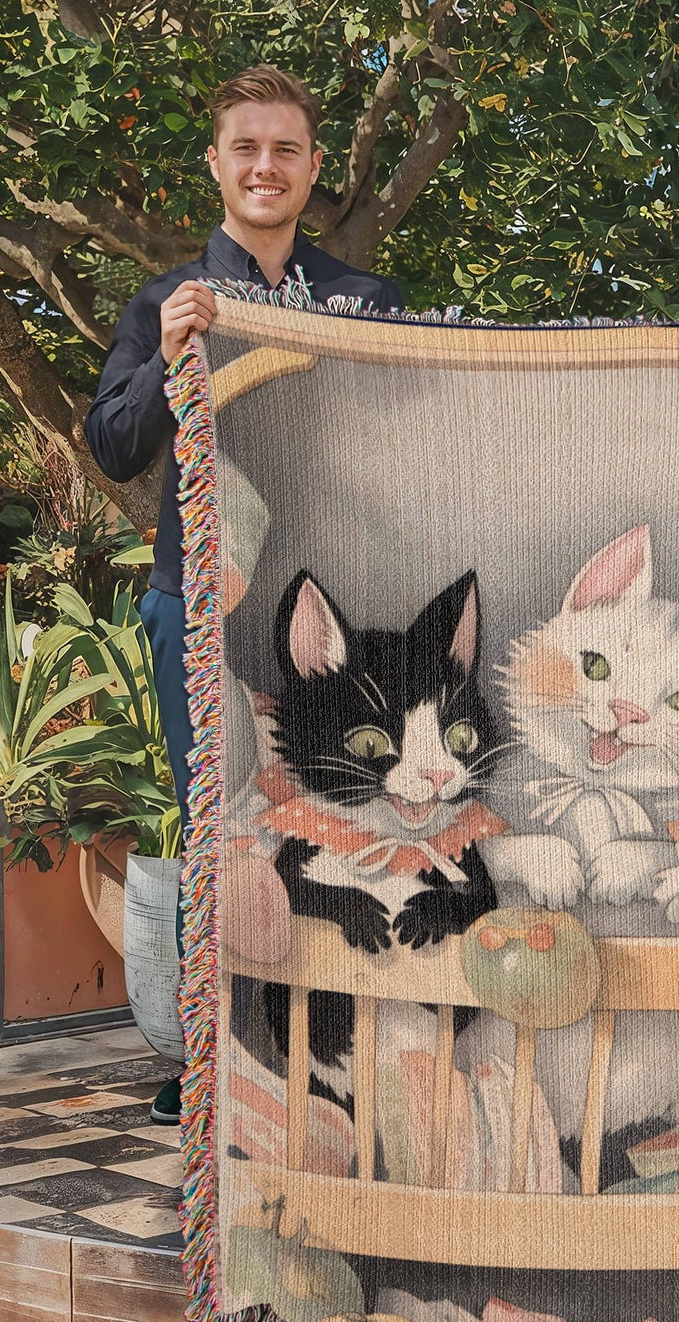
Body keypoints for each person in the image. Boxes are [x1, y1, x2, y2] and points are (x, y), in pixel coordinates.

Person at [86, 65, 402, 1125]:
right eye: (245, 148)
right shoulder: (166, 299)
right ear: (217, 164)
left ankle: (337, 1053)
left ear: (313, 168)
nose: (264, 166)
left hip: (339, 617)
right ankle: (215, 1057)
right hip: (205, 606)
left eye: (285, 149)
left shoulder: (370, 307)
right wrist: (169, 350)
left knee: (343, 822)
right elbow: (114, 445)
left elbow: (422, 448)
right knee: (218, 823)